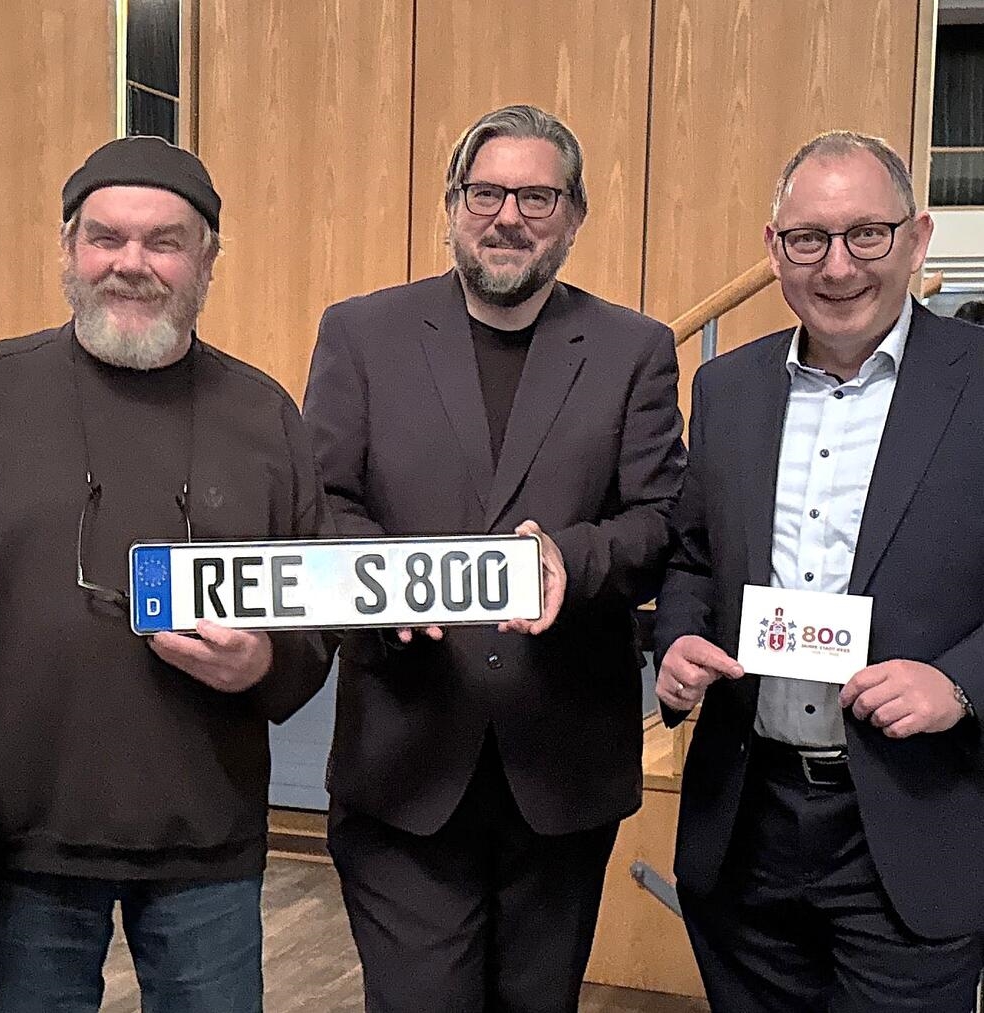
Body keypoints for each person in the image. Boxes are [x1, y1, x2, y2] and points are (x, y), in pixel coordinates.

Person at [0, 136, 331, 1013]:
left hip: (205, 844)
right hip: (22, 834)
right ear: (68, 249)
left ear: (207, 259)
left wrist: (262, 664)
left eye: (163, 241)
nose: (130, 264)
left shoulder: (264, 416)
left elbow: (315, 622)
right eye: (106, 238)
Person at [302, 104, 686, 1013]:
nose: (508, 214)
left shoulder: (634, 350)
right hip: (403, 758)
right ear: (453, 203)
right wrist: (379, 583)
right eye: (487, 191)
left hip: (562, 768)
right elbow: (321, 503)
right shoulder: (361, 334)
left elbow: (662, 519)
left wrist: (575, 558)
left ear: (575, 214)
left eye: (537, 196)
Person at [654, 131, 984, 1011]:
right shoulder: (726, 389)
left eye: (867, 235)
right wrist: (678, 637)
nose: (837, 267)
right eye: (808, 240)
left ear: (916, 239)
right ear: (775, 250)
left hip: (914, 825)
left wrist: (960, 682)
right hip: (746, 821)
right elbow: (692, 556)